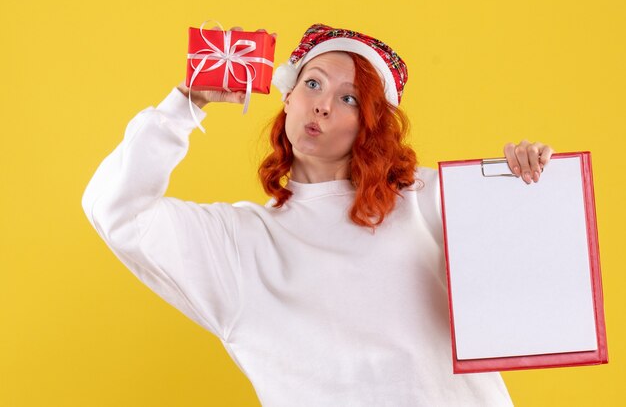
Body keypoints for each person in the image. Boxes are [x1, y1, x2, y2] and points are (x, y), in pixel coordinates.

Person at [82, 23, 553, 406]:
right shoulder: (239, 246)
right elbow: (116, 209)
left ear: (370, 125)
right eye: (312, 83)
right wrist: (186, 104)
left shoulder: (424, 197)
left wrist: (526, 187)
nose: (323, 105)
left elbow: (531, 285)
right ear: (287, 97)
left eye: (349, 98)